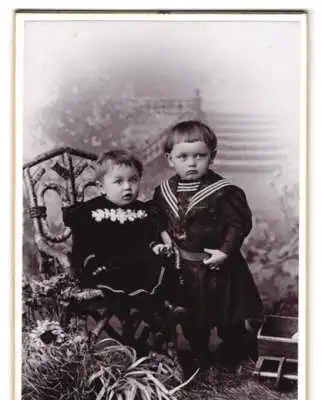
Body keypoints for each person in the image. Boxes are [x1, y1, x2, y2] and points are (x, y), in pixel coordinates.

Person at [152, 120, 263, 374]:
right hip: (187, 269)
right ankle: (199, 355)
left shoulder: (223, 192)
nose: (191, 163)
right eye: (183, 157)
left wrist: (225, 251)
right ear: (170, 159)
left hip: (220, 267)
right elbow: (155, 216)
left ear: (212, 157)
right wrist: (163, 237)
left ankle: (235, 351)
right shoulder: (164, 192)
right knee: (193, 318)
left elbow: (238, 224)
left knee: (228, 317)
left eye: (199, 156)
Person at [63, 149, 180, 348]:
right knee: (115, 269)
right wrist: (88, 262)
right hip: (104, 264)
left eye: (133, 180)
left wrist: (157, 247)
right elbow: (84, 244)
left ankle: (168, 317)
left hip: (138, 263)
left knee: (160, 264)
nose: (128, 187)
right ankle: (150, 315)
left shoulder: (143, 211)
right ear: (101, 187)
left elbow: (148, 239)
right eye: (118, 182)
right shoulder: (91, 212)